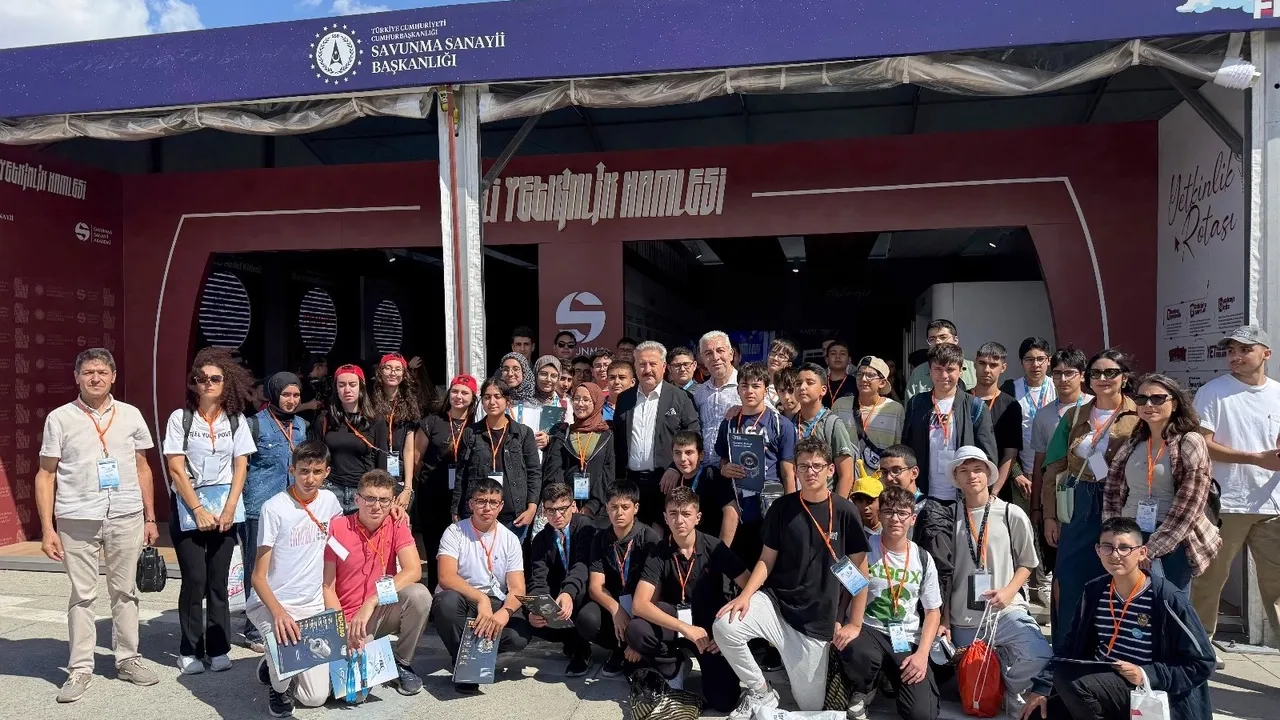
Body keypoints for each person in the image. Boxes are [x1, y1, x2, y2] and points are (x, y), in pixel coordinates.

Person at [36, 348, 161, 703]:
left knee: (125, 592)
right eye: (88, 372)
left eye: (102, 372)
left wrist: (150, 516)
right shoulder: (60, 418)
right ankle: (79, 669)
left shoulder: (131, 415)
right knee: (83, 595)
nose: (95, 378)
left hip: (125, 513)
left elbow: (142, 468)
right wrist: (47, 528)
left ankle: (128, 659)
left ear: (113, 377)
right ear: (76, 377)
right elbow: (45, 475)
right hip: (77, 516)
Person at [713, 437, 871, 719]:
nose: (810, 472)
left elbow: (859, 572)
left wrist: (854, 623)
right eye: (804, 466)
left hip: (815, 623)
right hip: (776, 606)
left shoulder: (845, 511)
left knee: (810, 706)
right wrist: (745, 596)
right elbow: (766, 559)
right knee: (725, 626)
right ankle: (761, 690)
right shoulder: (782, 508)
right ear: (795, 470)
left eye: (817, 465)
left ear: (830, 470)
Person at [1021, 517, 1215, 720]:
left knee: (1071, 682)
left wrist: (1147, 674)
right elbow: (1069, 648)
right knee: (1036, 714)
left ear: (1142, 553)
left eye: (1125, 548)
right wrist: (1042, 688)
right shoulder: (1095, 591)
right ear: (1098, 551)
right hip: (1101, 683)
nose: (1115, 555)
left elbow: (1203, 662)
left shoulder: (1166, 598)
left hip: (1148, 691)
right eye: (1107, 547)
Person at [163, 347, 257, 675]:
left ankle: (218, 648)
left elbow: (241, 466)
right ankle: (189, 649)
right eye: (201, 378)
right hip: (189, 507)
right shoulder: (180, 418)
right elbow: (176, 468)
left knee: (218, 581)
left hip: (227, 508)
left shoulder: (236, 420)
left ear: (225, 382)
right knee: (195, 580)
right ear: (193, 383)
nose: (208, 383)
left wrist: (230, 508)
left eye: (215, 378)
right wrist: (199, 509)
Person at [1190, 326, 1280, 665]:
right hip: (1225, 504)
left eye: (1244, 349)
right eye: (1231, 351)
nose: (1235, 357)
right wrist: (1255, 458)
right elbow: (1202, 444)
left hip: (1273, 505)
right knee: (1209, 583)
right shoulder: (1213, 392)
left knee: (1278, 588)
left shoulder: (1278, 392)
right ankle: (1199, 652)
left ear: (1266, 353)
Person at [1042, 348, 1139, 652]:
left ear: (1124, 378)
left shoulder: (1139, 416)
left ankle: (1110, 649)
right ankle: (1067, 649)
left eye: (1111, 372)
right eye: (1096, 373)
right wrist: (1049, 516)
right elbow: (1054, 468)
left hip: (1119, 505)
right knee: (1069, 578)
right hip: (1077, 504)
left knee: (1115, 577)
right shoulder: (1074, 416)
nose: (1103, 378)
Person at [944, 446, 1051, 718]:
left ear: (989, 474)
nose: (972, 476)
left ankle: (1009, 689)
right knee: (974, 683)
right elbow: (942, 576)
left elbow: (1028, 562)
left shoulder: (1010, 513)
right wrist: (944, 620)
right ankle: (997, 672)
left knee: (1039, 654)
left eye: (977, 469)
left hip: (1005, 610)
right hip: (964, 619)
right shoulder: (948, 517)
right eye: (964, 471)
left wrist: (1009, 592)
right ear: (955, 476)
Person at [627, 487, 750, 710]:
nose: (679, 520)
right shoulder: (658, 551)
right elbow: (639, 604)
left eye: (686, 514)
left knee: (724, 702)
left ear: (698, 517)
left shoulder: (715, 547)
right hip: (676, 622)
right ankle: (673, 666)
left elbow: (750, 588)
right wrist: (685, 628)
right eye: (673, 514)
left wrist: (728, 633)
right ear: (665, 518)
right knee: (636, 630)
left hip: (710, 629)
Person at [1101, 373, 1221, 597]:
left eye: (1157, 398)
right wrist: (1113, 538)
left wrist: (1152, 548)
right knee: (1132, 607)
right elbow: (1112, 493)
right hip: (1129, 538)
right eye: (1141, 398)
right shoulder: (1133, 442)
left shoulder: (1189, 441)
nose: (1148, 405)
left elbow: (1190, 505)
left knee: (1169, 607)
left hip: (1170, 541)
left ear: (1174, 404)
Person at [245, 440, 341, 717]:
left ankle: (273, 662)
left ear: (327, 472)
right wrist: (279, 614)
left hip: (310, 605)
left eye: (317, 472)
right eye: (303, 471)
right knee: (283, 670)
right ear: (292, 470)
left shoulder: (330, 502)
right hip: (272, 603)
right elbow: (258, 577)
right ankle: (278, 684)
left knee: (314, 697)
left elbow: (338, 547)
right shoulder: (274, 508)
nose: (309, 479)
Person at [323, 469, 430, 697]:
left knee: (419, 595)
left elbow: (413, 570)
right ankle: (284, 670)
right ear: (357, 499)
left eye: (384, 500)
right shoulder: (338, 527)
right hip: (347, 618)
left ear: (392, 502)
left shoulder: (397, 523)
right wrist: (342, 628)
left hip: (379, 609)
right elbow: (327, 587)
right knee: (353, 695)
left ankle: (401, 662)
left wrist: (371, 602)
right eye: (370, 499)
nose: (377, 506)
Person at [842, 485, 942, 720]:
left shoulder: (923, 558)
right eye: (888, 512)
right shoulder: (864, 548)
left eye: (902, 513)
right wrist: (841, 623)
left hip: (904, 637)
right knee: (860, 652)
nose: (895, 519)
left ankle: (889, 680)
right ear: (880, 515)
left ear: (912, 518)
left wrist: (922, 655)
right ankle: (863, 689)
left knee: (922, 714)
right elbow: (844, 591)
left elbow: (933, 612)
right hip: (869, 629)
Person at [432, 478, 532, 695]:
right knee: (445, 602)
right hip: (464, 597)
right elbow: (446, 577)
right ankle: (465, 663)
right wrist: (481, 599)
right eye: (481, 501)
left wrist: (503, 615)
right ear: (471, 504)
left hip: (496, 599)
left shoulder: (510, 539)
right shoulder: (455, 532)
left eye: (493, 502)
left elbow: (517, 588)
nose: (487, 508)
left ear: (501, 506)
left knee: (519, 636)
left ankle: (475, 652)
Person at [241, 371, 308, 651]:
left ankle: (283, 618)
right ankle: (253, 629)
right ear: (273, 394)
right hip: (259, 507)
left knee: (285, 565)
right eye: (286, 395)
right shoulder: (253, 424)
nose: (291, 400)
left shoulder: (302, 425)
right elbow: (241, 467)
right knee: (257, 567)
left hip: (293, 506)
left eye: (296, 395)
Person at [714, 362, 798, 568]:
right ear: (737, 389)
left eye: (755, 385)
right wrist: (724, 469)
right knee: (739, 562)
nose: (749, 391)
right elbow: (723, 458)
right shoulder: (729, 422)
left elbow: (788, 473)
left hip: (769, 502)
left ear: (766, 390)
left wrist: (789, 509)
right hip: (739, 503)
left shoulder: (781, 424)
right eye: (744, 385)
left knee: (769, 562)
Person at [1028, 347, 1092, 609]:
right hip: (1058, 501)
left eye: (1069, 373)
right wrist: (1038, 509)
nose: (1062, 379)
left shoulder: (1094, 407)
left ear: (1082, 375)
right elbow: (1040, 464)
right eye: (1057, 373)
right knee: (1061, 568)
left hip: (1092, 499)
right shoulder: (1044, 415)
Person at [580, 481, 664, 676]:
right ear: (607, 508)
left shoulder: (649, 538)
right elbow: (596, 587)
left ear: (636, 508)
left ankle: (639, 645)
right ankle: (618, 648)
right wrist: (616, 609)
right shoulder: (600, 538)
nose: (619, 513)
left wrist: (637, 632)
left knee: (637, 667)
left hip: (644, 607)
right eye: (614, 507)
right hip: (617, 603)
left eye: (625, 507)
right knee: (586, 619)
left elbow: (657, 591)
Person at [613, 340, 701, 526]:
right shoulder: (624, 399)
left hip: (666, 481)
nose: (647, 370)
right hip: (631, 483)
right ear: (635, 367)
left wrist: (675, 468)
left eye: (652, 364)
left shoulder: (680, 397)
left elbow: (693, 435)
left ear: (663, 367)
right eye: (642, 364)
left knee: (663, 533)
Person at [453, 379, 541, 539]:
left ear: (507, 401)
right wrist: (455, 509)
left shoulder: (522, 433)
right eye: (487, 397)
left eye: (497, 396)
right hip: (479, 514)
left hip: (514, 516)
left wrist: (531, 508)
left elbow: (534, 472)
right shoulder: (471, 433)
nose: (492, 402)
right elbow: (461, 474)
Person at [527, 483, 597, 676]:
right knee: (532, 617)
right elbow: (538, 576)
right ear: (544, 511)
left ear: (573, 506)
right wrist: (537, 605)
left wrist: (568, 592)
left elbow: (582, 565)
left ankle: (582, 649)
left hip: (584, 590)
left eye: (562, 509)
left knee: (578, 595)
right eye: (550, 510)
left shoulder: (585, 527)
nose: (556, 515)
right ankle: (569, 639)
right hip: (559, 592)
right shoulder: (541, 539)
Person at [415, 374, 477, 588]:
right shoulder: (432, 422)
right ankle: (435, 592)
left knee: (464, 551)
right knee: (435, 548)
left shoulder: (477, 425)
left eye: (465, 393)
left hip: (465, 498)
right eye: (455, 391)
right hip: (433, 497)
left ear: (473, 397)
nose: (459, 396)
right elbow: (417, 460)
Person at [308, 363, 390, 515]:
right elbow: (316, 457)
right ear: (336, 388)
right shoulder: (324, 419)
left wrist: (383, 494)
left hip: (364, 491)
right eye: (341, 385)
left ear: (361, 387)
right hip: (331, 490)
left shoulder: (375, 420)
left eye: (352, 384)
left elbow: (382, 459)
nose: (347, 390)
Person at [545, 381, 615, 521]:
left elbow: (608, 472)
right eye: (576, 399)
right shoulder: (563, 433)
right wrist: (566, 501)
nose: (580, 404)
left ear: (596, 402)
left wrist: (592, 505)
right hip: (564, 509)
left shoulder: (607, 435)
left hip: (597, 511)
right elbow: (554, 469)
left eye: (586, 399)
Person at [1002, 338, 1055, 517]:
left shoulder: (1058, 388)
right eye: (1029, 359)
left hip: (1055, 473)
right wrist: (1016, 473)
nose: (1035, 365)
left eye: (1040, 359)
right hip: (1024, 475)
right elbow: (1003, 436)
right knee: (1026, 524)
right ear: (1021, 362)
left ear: (1049, 360)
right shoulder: (1011, 390)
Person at [835, 356, 905, 489]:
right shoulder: (840, 405)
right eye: (860, 374)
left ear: (882, 383)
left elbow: (898, 451)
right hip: (847, 484)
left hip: (881, 487)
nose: (863, 379)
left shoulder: (895, 410)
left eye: (870, 375)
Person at [791, 363, 856, 496]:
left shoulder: (832, 424)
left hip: (824, 499)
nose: (802, 387)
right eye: (798, 383)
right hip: (795, 499)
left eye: (810, 383)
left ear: (823, 390)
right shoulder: (788, 422)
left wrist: (836, 506)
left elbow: (846, 475)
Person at [970, 342, 1023, 501]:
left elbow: (1010, 454)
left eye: (993, 365)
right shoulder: (961, 400)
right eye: (982, 363)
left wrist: (994, 492)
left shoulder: (1010, 405)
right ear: (975, 364)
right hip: (962, 485)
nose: (987, 370)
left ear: (1003, 367)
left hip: (997, 491)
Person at [669, 430, 738, 543]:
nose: (682, 458)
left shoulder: (711, 476)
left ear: (701, 455)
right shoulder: (673, 481)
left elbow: (731, 512)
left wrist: (721, 549)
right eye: (677, 453)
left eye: (689, 452)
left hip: (710, 546)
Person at [370, 353, 419, 511]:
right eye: (388, 368)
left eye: (398, 369)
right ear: (380, 371)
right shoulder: (369, 402)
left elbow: (409, 449)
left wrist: (408, 488)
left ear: (404, 374)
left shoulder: (409, 404)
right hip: (374, 475)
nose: (393, 373)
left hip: (399, 479)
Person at [692, 330, 741, 468]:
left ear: (731, 354)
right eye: (708, 353)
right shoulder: (700, 392)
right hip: (704, 469)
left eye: (720, 351)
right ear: (702, 359)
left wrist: (745, 408)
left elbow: (770, 419)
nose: (715, 357)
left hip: (736, 469)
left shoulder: (747, 386)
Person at [904, 320, 979, 401]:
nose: (938, 342)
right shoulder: (919, 373)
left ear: (955, 340)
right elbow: (911, 405)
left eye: (943, 337)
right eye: (932, 339)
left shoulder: (974, 369)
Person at [494, 351, 544, 440]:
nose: (510, 373)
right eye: (505, 369)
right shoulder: (493, 401)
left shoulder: (535, 406)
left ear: (524, 372)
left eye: (516, 369)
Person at [823, 340, 858, 407]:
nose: (838, 356)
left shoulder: (856, 383)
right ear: (827, 360)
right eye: (833, 353)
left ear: (849, 360)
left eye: (842, 354)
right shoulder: (820, 383)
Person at [766, 339, 799, 406]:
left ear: (789, 364)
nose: (775, 358)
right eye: (773, 354)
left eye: (781, 356)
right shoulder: (759, 381)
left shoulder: (792, 386)